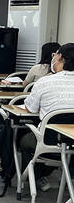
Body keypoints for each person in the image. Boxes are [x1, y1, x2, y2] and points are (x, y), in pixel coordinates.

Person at [22, 43, 74, 191]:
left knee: (24, 140)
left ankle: (35, 178)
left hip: (49, 140)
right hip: (72, 140)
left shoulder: (45, 81)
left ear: (60, 57)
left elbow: (30, 109)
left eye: (55, 54)